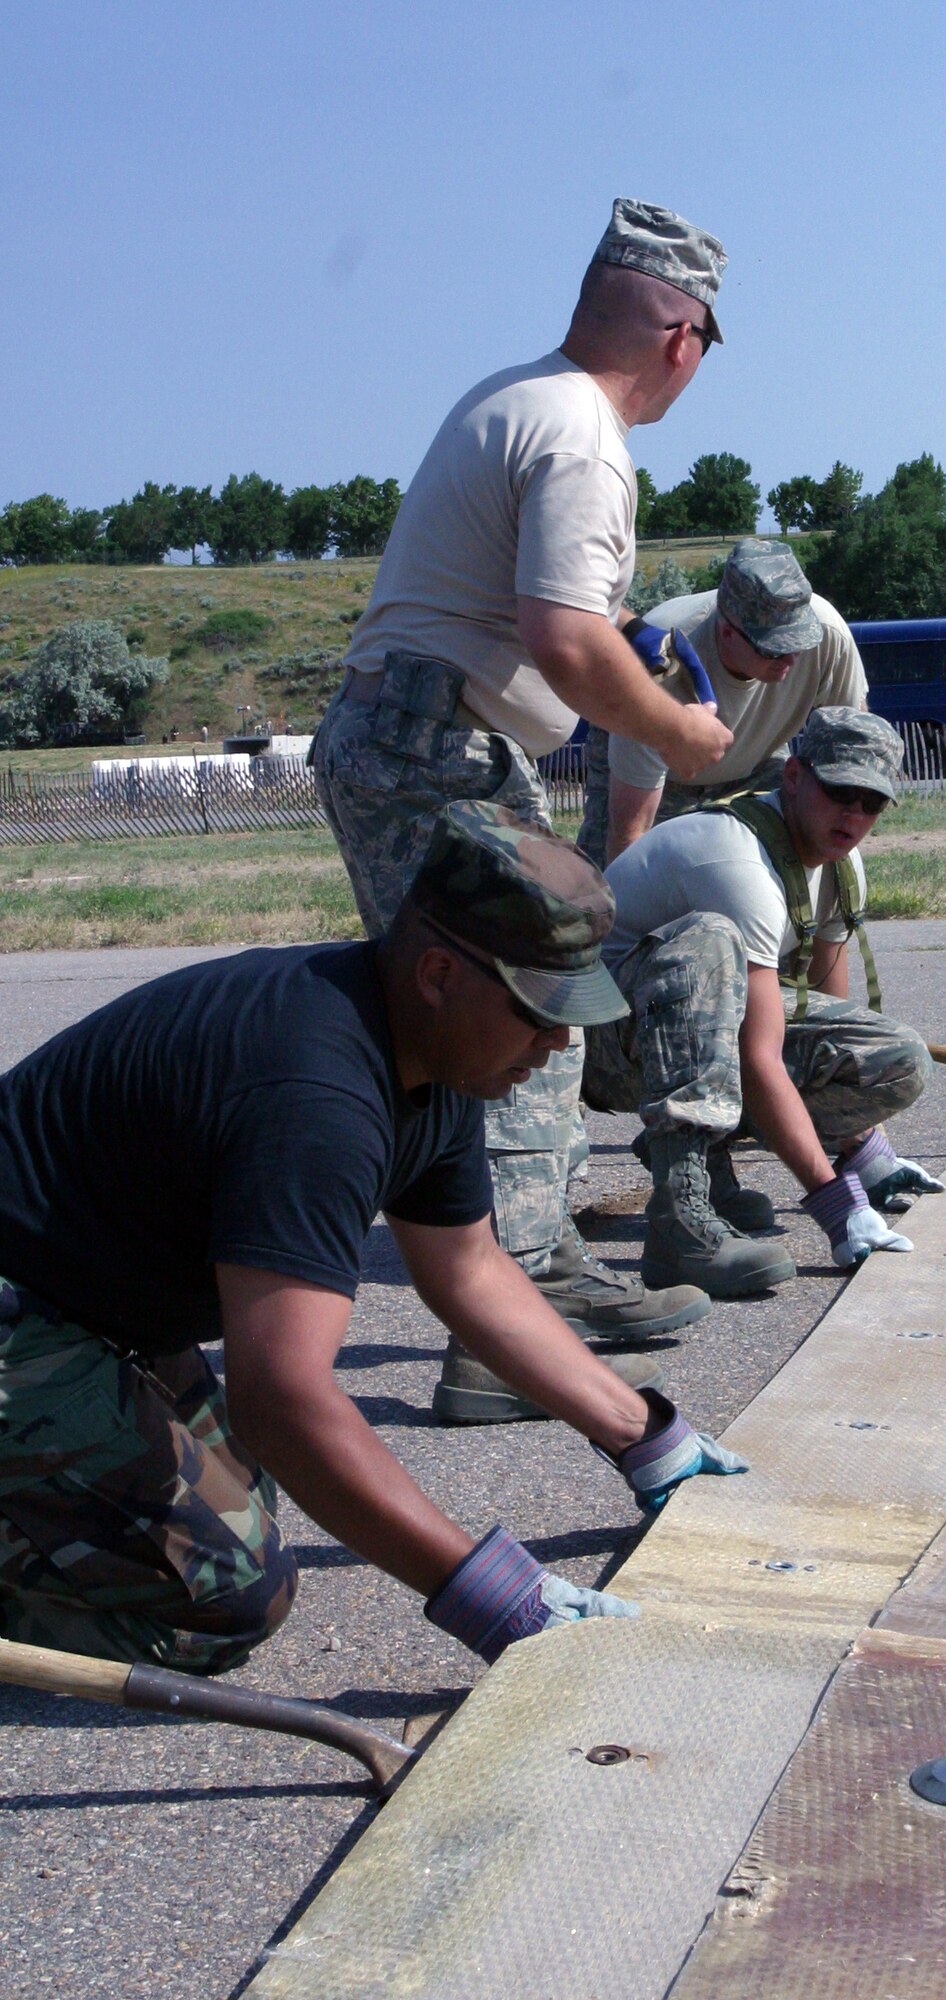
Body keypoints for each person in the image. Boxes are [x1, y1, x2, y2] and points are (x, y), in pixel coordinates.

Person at [0, 804, 746, 1675]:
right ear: (438, 973)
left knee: (249, 1502)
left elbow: (468, 1270)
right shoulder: (316, 1092)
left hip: (90, 1312)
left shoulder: (431, 1060)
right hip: (26, 1311)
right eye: (539, 1011)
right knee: (226, 1596)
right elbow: (281, 1400)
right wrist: (488, 1593)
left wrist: (645, 1436)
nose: (560, 1041)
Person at [310, 199, 739, 1422]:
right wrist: (681, 731)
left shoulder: (517, 397)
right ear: (682, 336)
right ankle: (511, 1313)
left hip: (416, 733)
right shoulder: (584, 436)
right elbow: (566, 637)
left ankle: (517, 1290)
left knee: (479, 1025)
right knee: (515, 1013)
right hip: (439, 741)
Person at [583, 709, 942, 1298]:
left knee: (893, 1054)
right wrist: (836, 1206)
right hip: (601, 1046)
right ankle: (680, 1219)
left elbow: (825, 1019)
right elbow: (758, 1058)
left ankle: (701, 1147)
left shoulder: (842, 865)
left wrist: (866, 1154)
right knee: (710, 949)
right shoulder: (735, 862)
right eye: (840, 792)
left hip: (693, 1034)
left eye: (871, 803)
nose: (854, 815)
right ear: (795, 777)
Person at [577, 538, 867, 866]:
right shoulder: (661, 663)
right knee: (602, 888)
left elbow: (854, 753)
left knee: (782, 869)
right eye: (774, 647)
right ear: (727, 633)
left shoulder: (830, 635)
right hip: (663, 763)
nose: (792, 658)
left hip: (758, 758)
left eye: (800, 641)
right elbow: (630, 834)